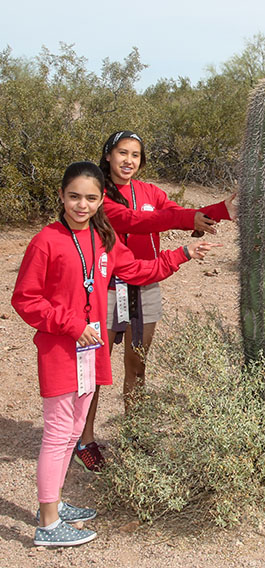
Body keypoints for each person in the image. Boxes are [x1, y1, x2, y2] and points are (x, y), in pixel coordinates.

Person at [11, 161, 219, 546]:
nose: (82, 205)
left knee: (75, 428)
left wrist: (184, 253)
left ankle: (52, 505)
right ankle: (47, 523)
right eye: (74, 196)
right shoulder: (47, 240)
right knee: (58, 433)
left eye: (91, 198)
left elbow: (139, 271)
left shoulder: (102, 239)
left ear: (100, 201)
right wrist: (72, 325)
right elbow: (25, 299)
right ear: (61, 196)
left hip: (90, 350)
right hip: (61, 348)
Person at [74, 131, 237, 473]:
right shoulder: (98, 194)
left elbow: (177, 212)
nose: (128, 160)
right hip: (103, 289)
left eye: (135, 155)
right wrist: (185, 220)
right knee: (96, 371)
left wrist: (222, 210)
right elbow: (135, 221)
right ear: (108, 156)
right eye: (122, 153)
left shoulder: (149, 192)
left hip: (144, 285)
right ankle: (85, 439)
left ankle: (135, 434)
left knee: (138, 367)